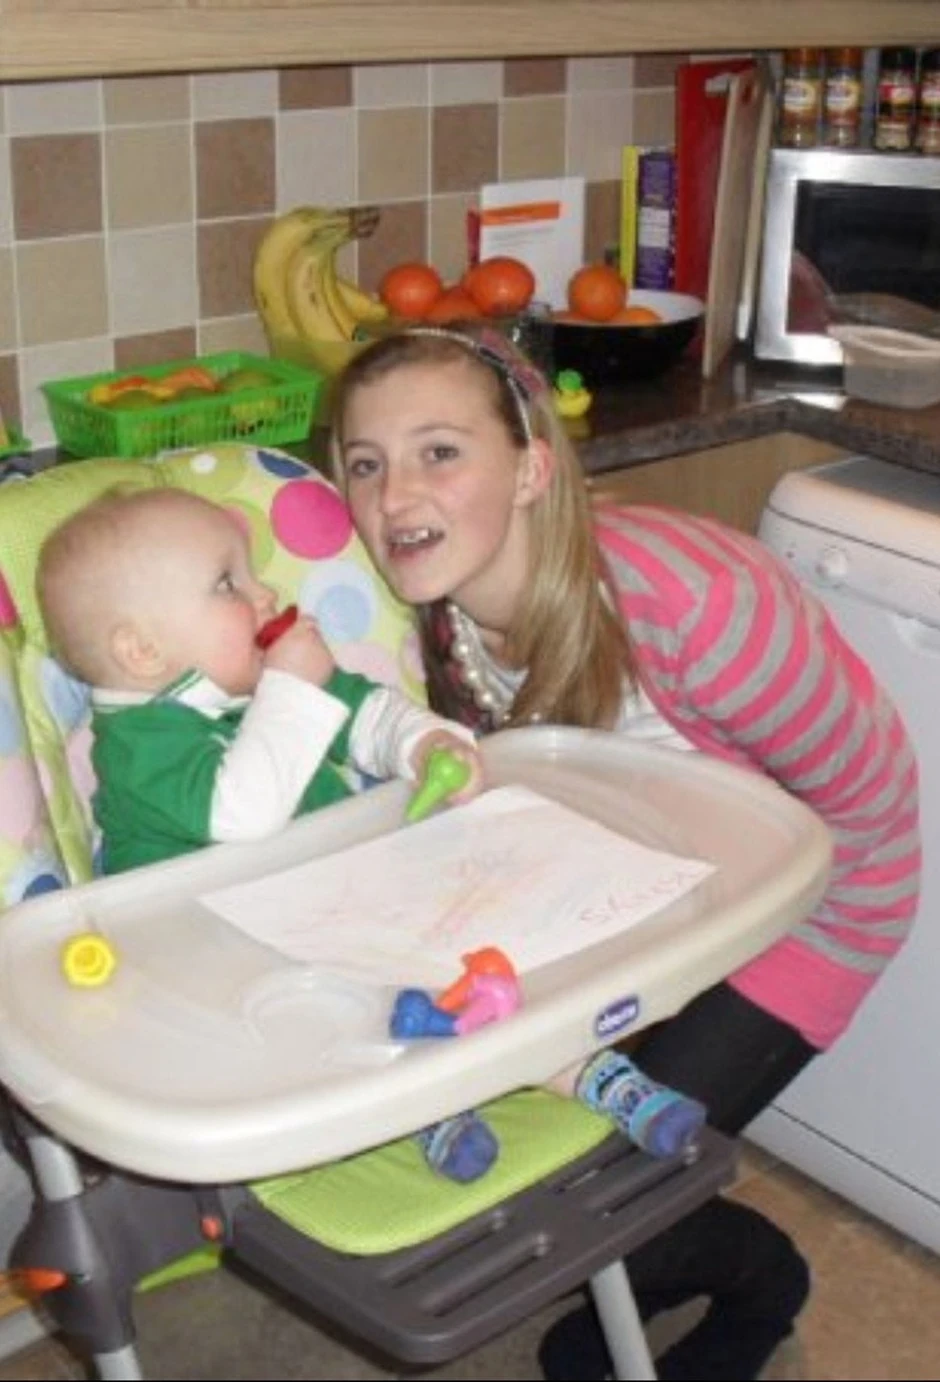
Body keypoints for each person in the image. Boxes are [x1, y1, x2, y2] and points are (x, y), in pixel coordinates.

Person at [328, 322, 921, 1380]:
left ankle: (763, 1281)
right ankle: (635, 1256)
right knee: (515, 1173)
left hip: (821, 897)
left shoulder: (693, 603)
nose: (394, 495)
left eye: (439, 451)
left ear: (531, 470)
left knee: (589, 1198)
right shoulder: (428, 611)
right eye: (365, 464)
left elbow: (863, 799)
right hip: (638, 891)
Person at [35, 485, 704, 1188]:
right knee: (353, 1012)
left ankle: (587, 1069)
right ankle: (427, 1104)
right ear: (142, 650)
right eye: (229, 584)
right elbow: (244, 811)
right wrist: (293, 687)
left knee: (485, 947)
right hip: (232, 978)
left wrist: (422, 743)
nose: (266, 594)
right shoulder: (135, 748)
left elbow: (366, 712)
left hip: (336, 914)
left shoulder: (256, 688)